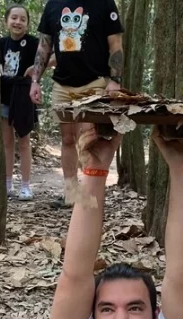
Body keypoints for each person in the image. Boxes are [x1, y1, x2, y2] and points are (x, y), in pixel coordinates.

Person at [47, 126, 183, 319]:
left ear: (156, 318)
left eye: (135, 308)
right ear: (91, 318)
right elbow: (75, 273)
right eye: (107, 309)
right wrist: (94, 170)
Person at [30, 0, 124, 208]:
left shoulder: (104, 4)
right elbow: (44, 46)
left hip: (95, 82)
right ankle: (71, 193)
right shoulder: (53, 5)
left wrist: (115, 80)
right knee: (68, 139)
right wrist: (35, 81)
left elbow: (115, 44)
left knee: (90, 139)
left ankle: (90, 192)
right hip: (62, 84)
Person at [0, 5, 55, 201]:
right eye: (14, 18)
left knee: (23, 141)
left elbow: (54, 55)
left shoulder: (33, 43)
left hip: (24, 97)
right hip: (3, 96)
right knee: (7, 142)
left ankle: (25, 185)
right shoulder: (1, 43)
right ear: (7, 21)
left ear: (28, 24)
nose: (18, 22)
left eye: (22, 19)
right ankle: (7, 184)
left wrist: (36, 67)